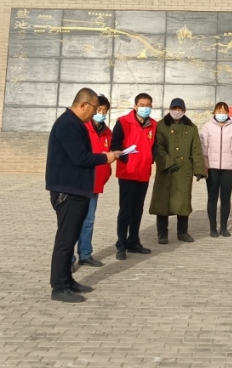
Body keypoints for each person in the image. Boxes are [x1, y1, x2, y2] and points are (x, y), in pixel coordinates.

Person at [45, 87, 120, 303]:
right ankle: (59, 287)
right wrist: (105, 158)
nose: (96, 113)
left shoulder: (76, 124)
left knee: (72, 236)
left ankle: (68, 280)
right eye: (95, 108)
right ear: (83, 105)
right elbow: (80, 157)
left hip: (77, 189)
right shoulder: (68, 124)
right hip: (67, 191)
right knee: (65, 240)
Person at [149, 97, 206, 244]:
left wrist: (199, 169)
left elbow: (196, 149)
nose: (177, 112)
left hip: (183, 171)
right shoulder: (161, 126)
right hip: (165, 171)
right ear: (170, 109)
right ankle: (162, 234)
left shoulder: (191, 128)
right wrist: (167, 163)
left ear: (184, 111)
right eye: (175, 109)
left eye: (180, 109)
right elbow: (158, 147)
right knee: (162, 202)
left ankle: (183, 232)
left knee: (183, 202)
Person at [111, 93, 158, 260]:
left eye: (148, 105)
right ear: (135, 106)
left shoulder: (154, 125)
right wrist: (128, 158)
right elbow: (114, 145)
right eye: (142, 104)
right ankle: (121, 245)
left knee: (138, 210)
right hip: (127, 172)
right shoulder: (123, 122)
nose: (145, 107)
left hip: (144, 173)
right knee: (126, 210)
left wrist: (150, 158)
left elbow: (156, 147)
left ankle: (133, 242)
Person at [73, 94, 112, 270]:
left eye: (104, 110)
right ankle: (69, 259)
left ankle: (85, 254)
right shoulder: (81, 128)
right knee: (74, 221)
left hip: (95, 183)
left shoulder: (107, 133)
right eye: (99, 109)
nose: (101, 113)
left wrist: (106, 173)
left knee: (89, 220)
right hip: (79, 183)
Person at [199, 101, 232, 238]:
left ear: (228, 113)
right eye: (218, 111)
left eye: (224, 112)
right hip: (212, 168)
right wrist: (204, 163)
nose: (221, 114)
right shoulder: (207, 127)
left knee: (225, 198)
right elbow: (203, 146)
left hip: (228, 168)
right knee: (212, 197)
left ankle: (223, 227)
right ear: (214, 112)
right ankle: (213, 227)